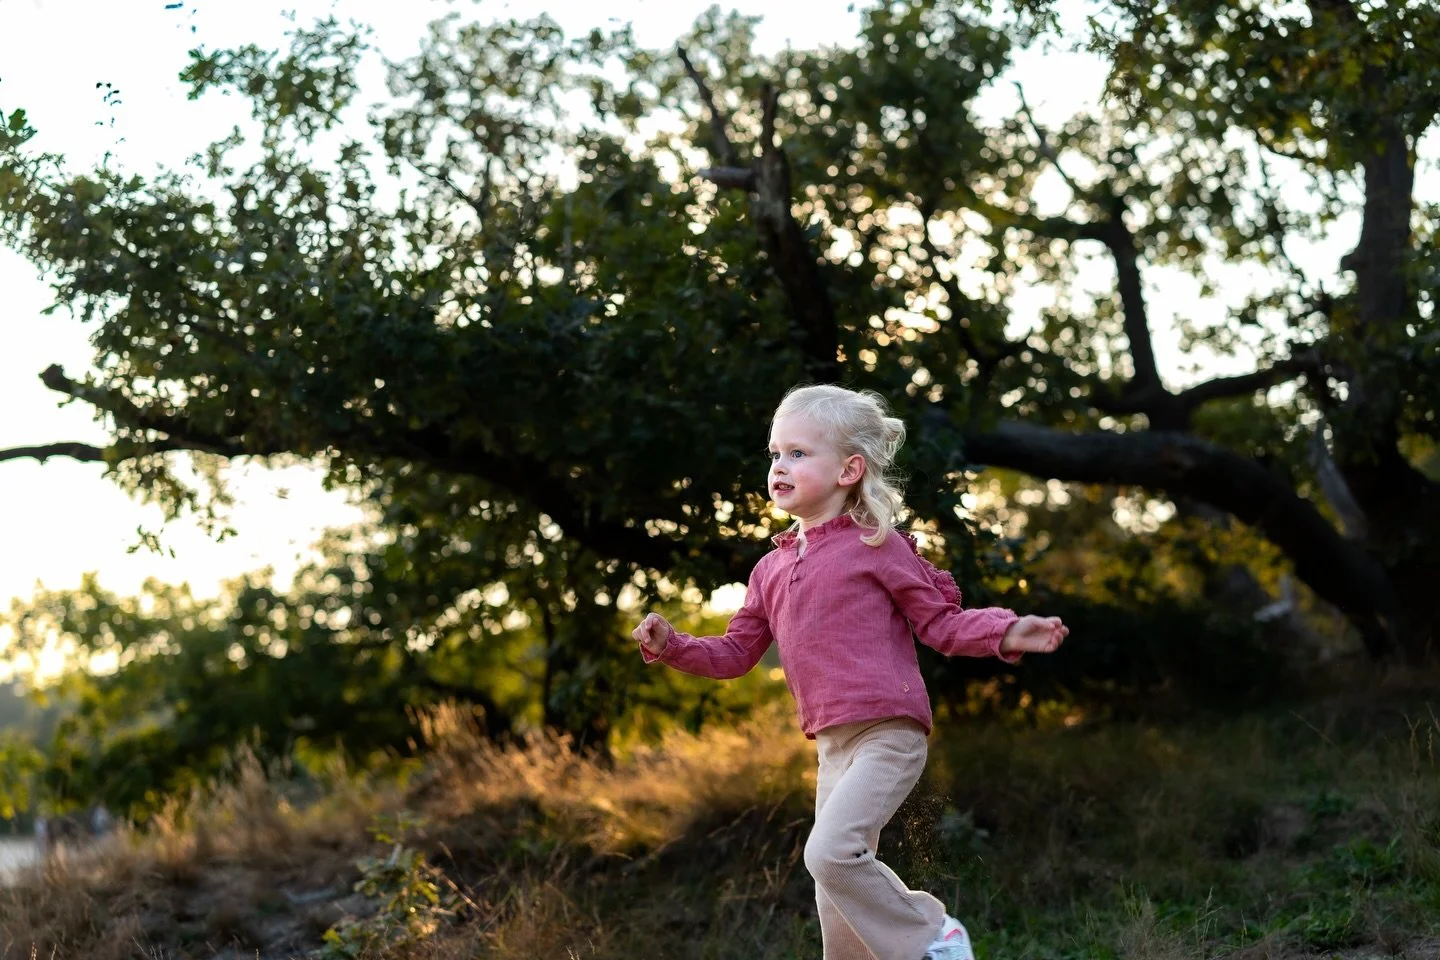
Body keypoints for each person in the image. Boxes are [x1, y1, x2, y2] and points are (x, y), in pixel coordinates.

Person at [632, 384, 1068, 960]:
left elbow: (941, 623)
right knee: (835, 900)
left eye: (798, 453)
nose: (779, 466)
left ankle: (933, 936)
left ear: (848, 469)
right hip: (831, 748)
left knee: (830, 854)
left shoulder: (877, 546)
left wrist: (1007, 630)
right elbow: (735, 654)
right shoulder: (769, 569)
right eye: (774, 454)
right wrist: (672, 645)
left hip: (888, 734)